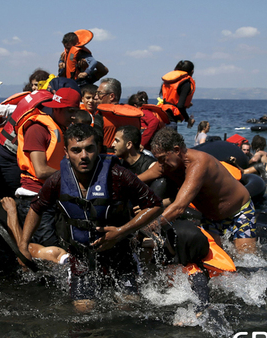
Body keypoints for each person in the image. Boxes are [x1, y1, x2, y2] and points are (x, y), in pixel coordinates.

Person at [17, 124, 163, 312]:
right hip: (81, 257)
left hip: (119, 254)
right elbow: (36, 208)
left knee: (129, 307)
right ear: (66, 153)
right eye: (76, 150)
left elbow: (155, 205)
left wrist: (120, 232)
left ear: (99, 149)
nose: (83, 156)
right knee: (84, 311)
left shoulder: (118, 175)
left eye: (89, 149)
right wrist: (23, 245)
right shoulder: (58, 180)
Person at [150, 127, 257, 254]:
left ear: (176, 150)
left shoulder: (198, 163)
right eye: (157, 159)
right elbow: (136, 180)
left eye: (162, 158)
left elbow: (179, 208)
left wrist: (150, 226)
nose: (160, 163)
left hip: (239, 212)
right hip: (211, 218)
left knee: (247, 261)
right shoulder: (165, 164)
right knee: (216, 262)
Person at [15, 87, 80, 247]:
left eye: (75, 111)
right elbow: (41, 170)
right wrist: (75, 175)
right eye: (69, 111)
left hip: (54, 193)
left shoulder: (61, 128)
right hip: (34, 197)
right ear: (56, 109)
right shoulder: (37, 129)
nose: (73, 116)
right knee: (48, 248)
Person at [93, 78, 143, 149]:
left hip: (107, 157)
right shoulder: (135, 116)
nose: (96, 97)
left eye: (100, 93)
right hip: (130, 158)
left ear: (111, 96)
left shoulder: (101, 115)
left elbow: (97, 143)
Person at [159, 60, 196, 129]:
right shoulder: (186, 83)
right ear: (192, 72)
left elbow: (169, 100)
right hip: (171, 119)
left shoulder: (169, 81)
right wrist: (188, 119)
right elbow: (180, 106)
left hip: (162, 115)